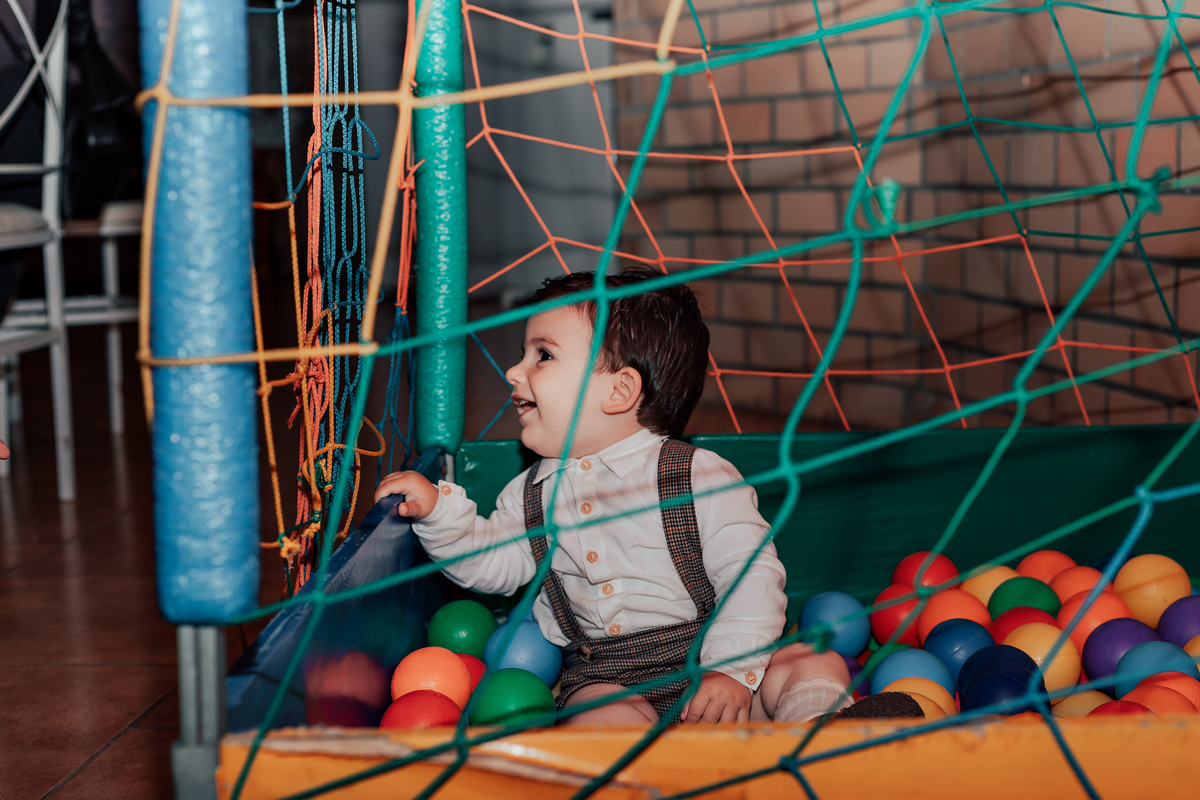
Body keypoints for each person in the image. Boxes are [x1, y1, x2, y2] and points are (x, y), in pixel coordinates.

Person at [375, 265, 849, 725]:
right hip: (606, 677)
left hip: (716, 668)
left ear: (620, 390)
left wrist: (731, 670)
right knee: (597, 713)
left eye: (543, 355)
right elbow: (491, 562)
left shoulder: (696, 476)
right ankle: (639, 766)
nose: (513, 371)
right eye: (524, 354)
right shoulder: (530, 494)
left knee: (810, 660)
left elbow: (751, 575)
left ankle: (829, 743)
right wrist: (439, 514)